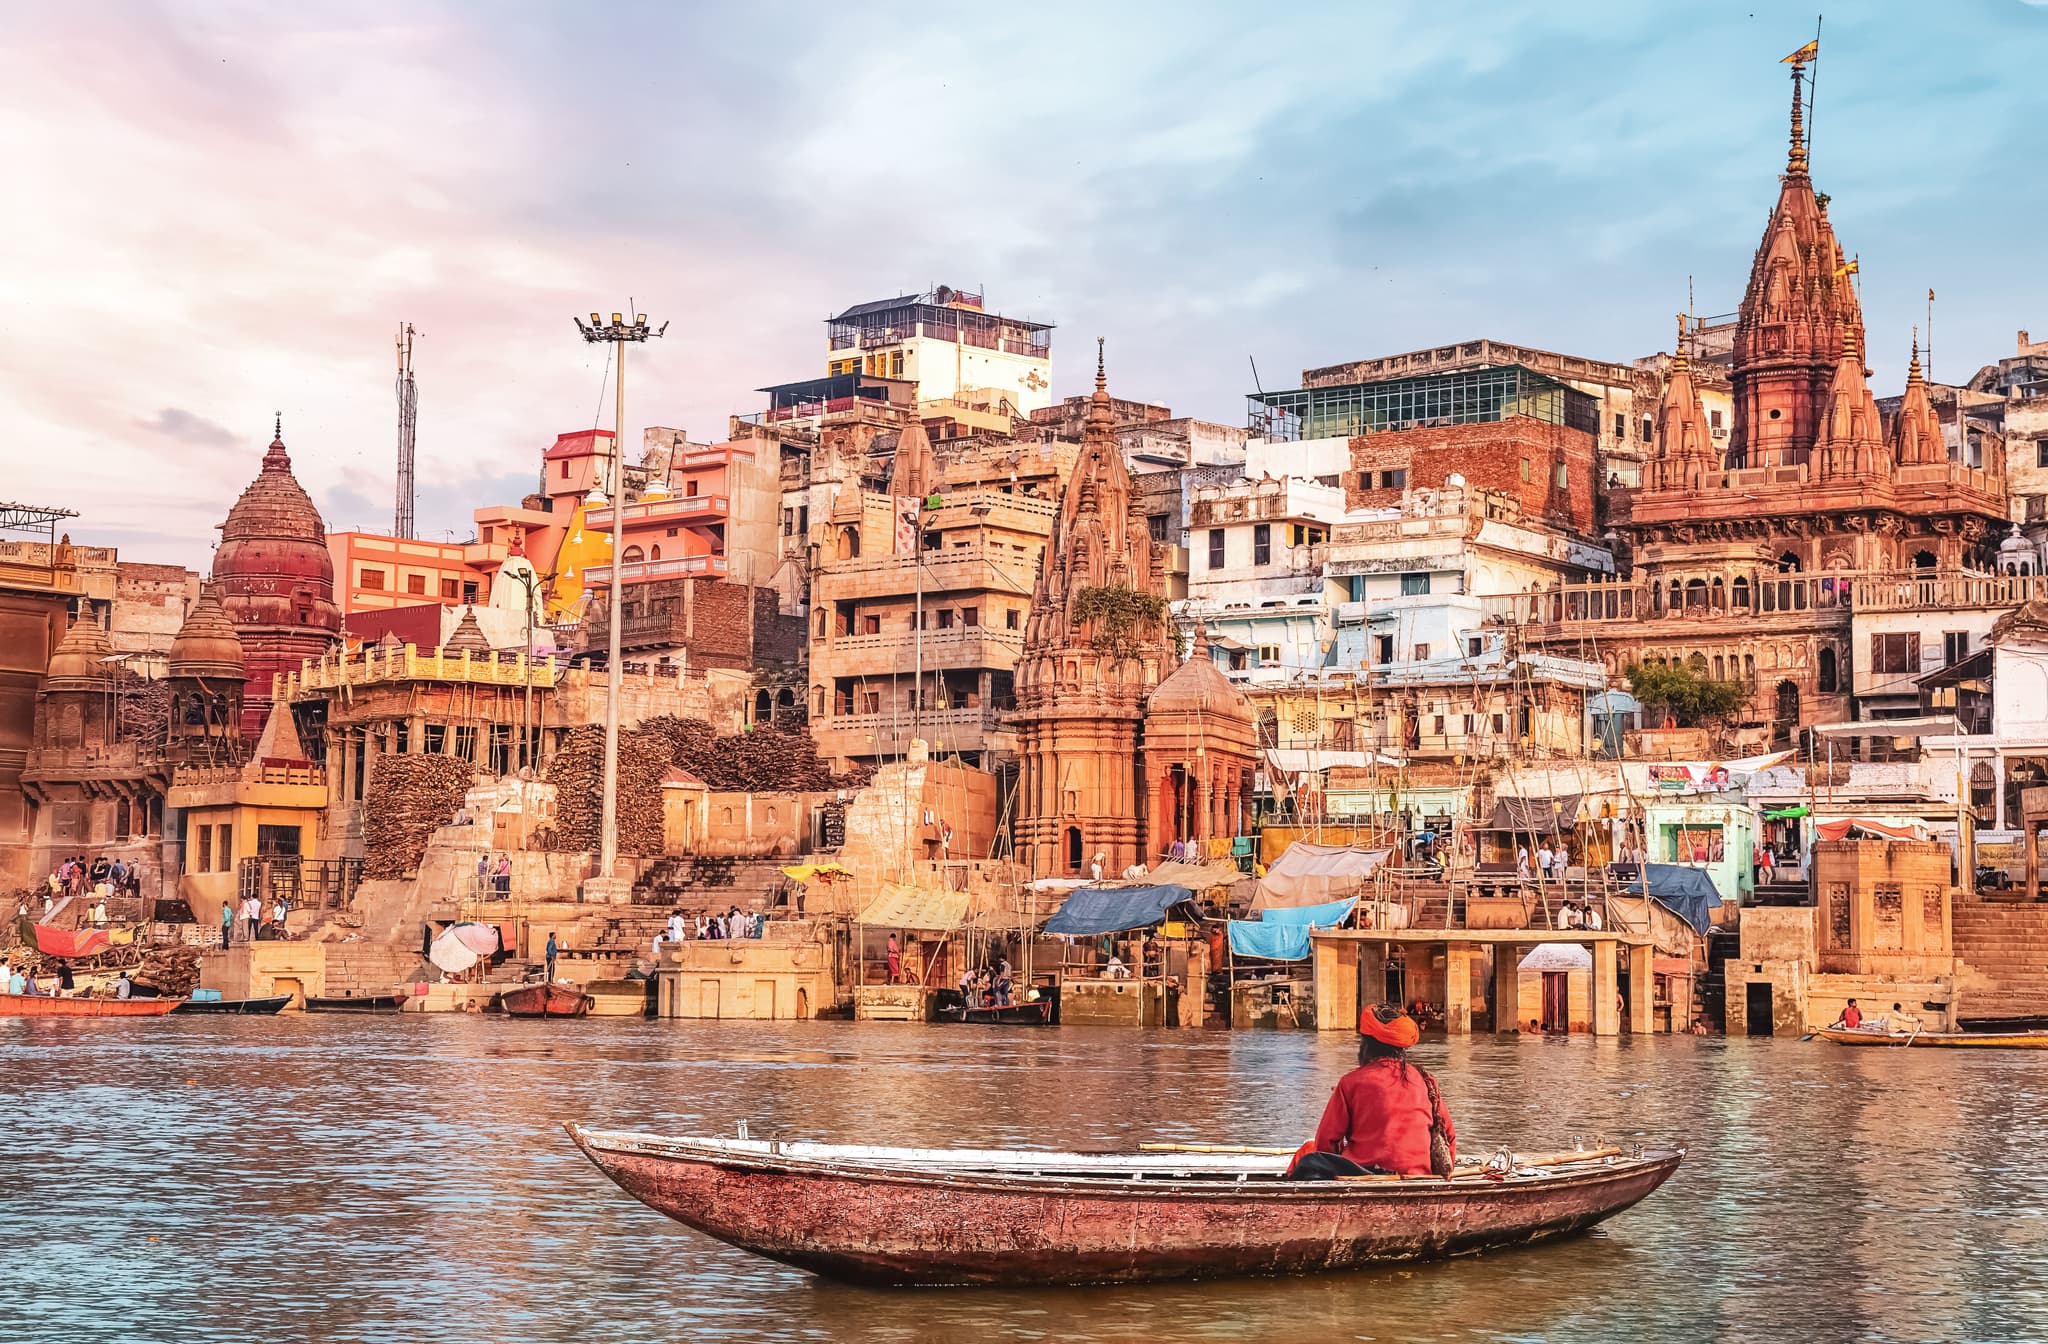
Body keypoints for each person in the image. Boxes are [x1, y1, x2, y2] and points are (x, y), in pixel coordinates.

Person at [1291, 1003, 1456, 1179]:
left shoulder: (1351, 1082)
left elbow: (1326, 1141)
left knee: (1308, 1155)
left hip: (1364, 1174)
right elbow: (1449, 1136)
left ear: (1366, 1046)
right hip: (1418, 1175)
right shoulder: (1426, 1080)